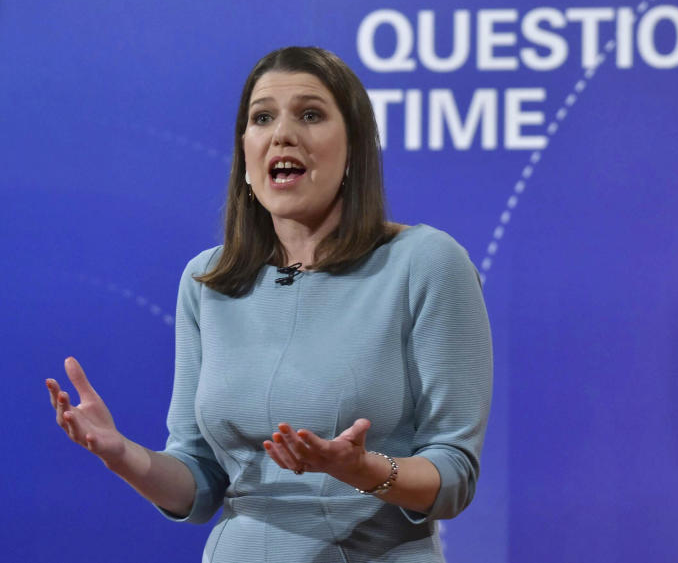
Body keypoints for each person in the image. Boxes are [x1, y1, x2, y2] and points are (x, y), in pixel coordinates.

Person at [46, 46, 492, 562]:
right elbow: (199, 480)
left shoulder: (426, 262)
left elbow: (454, 474)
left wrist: (363, 470)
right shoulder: (207, 280)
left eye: (310, 114)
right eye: (262, 118)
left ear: (355, 148)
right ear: (244, 150)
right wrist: (121, 454)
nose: (282, 134)